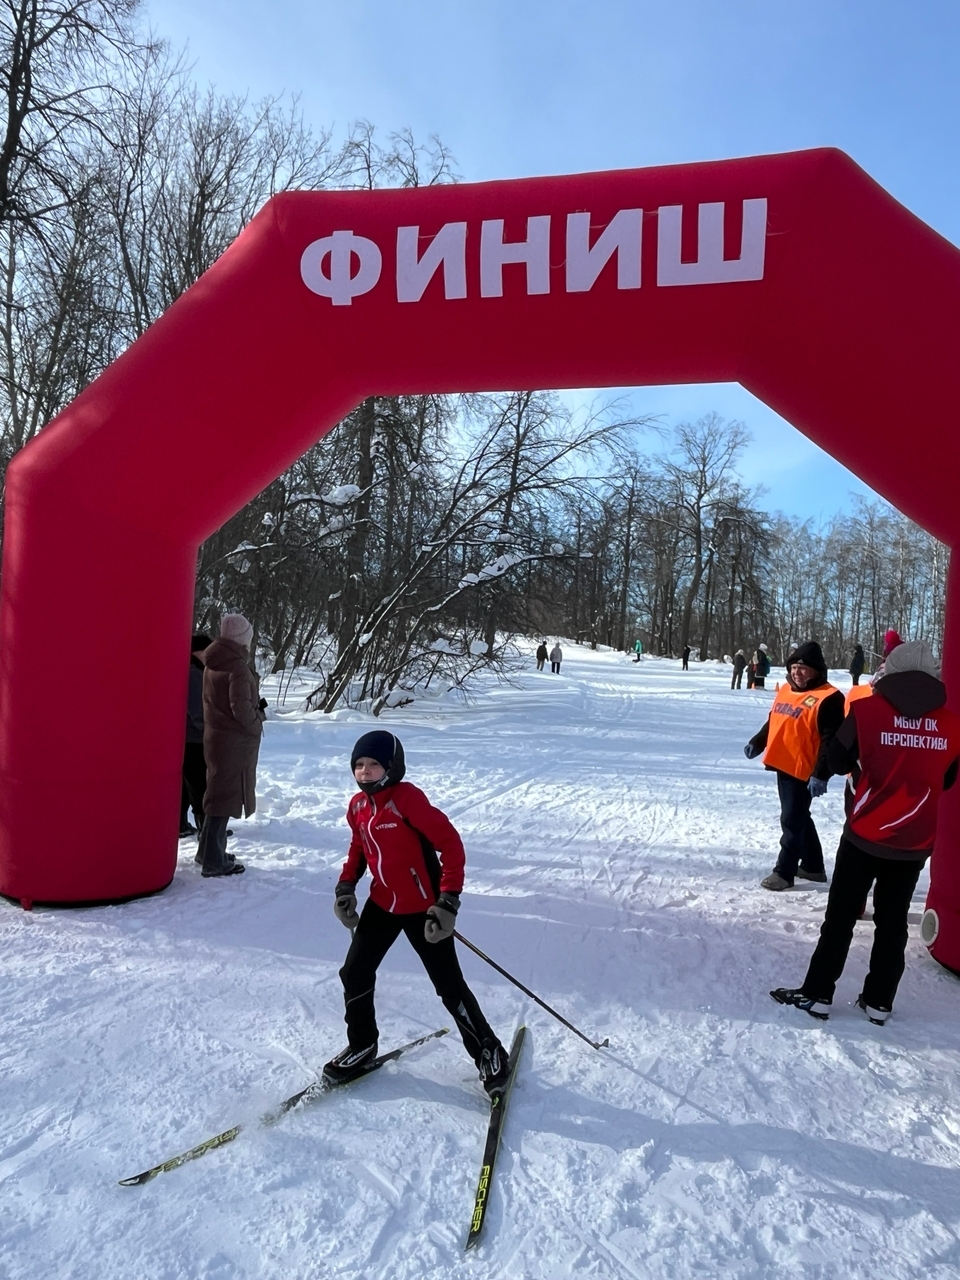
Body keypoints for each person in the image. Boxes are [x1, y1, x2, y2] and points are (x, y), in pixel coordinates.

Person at [771, 641, 960, 1025]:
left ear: (890, 670)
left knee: (840, 916)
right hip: (914, 839)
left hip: (866, 832)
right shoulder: (952, 723)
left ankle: (818, 994)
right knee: (892, 923)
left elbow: (837, 760)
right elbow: (948, 778)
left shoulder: (866, 710)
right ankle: (879, 1002)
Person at [326, 730, 510, 1093]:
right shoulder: (358, 807)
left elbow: (451, 846)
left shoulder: (407, 800)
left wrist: (448, 902)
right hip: (383, 903)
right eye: (359, 765)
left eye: (373, 765)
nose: (364, 772)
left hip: (424, 910)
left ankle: (490, 1052)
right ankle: (362, 1043)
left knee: (449, 986)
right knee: (354, 973)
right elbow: (359, 848)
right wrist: (345, 886)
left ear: (392, 767)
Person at [744, 641, 845, 891]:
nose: (797, 673)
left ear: (817, 671)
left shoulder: (829, 698)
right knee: (799, 817)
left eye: (803, 668)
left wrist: (821, 774)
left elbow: (830, 741)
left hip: (805, 770)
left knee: (791, 820)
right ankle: (812, 866)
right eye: (794, 667)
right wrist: (758, 742)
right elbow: (775, 720)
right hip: (783, 762)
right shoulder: (787, 690)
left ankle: (784, 872)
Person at [195, 613, 265, 878]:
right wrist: (257, 720)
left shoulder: (213, 660)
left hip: (216, 737)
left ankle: (207, 852)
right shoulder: (236, 666)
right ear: (242, 638)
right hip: (233, 741)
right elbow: (241, 708)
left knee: (217, 793)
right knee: (224, 797)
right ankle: (214, 861)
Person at [180, 633, 212, 837]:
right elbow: (196, 709)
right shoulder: (194, 673)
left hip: (189, 738)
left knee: (187, 786)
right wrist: (207, 730)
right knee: (200, 785)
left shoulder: (195, 670)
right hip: (194, 739)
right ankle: (206, 831)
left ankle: (181, 825)